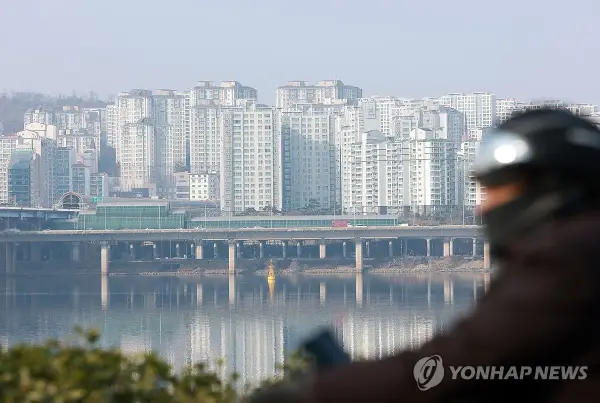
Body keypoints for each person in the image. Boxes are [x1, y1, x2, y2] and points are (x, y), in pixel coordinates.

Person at [249, 108, 600, 403]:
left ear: (552, 184)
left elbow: (458, 364)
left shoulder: (569, 258)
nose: (482, 208)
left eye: (497, 189)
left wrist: (314, 393)